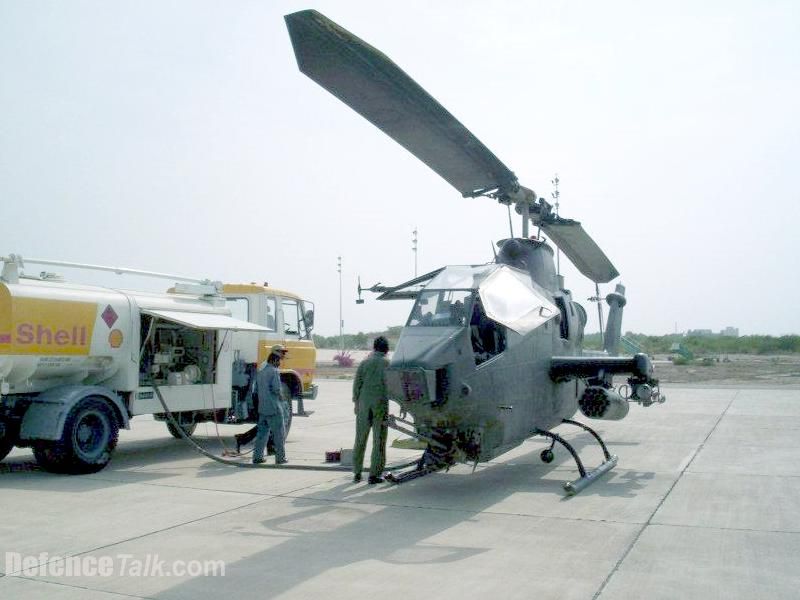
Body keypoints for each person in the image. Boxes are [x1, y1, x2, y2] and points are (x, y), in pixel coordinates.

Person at [352, 336, 390, 484]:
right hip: (380, 404)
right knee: (379, 439)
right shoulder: (388, 364)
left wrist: (356, 402)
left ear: (374, 348)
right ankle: (374, 474)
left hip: (363, 404)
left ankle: (357, 472)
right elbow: (392, 387)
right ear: (386, 349)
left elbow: (357, 385)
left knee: (360, 438)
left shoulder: (364, 363)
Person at [235, 345, 288, 453]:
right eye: (282, 352)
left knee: (264, 425)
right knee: (272, 424)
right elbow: (271, 388)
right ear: (276, 353)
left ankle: (246, 441)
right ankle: (270, 448)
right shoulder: (269, 367)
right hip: (262, 398)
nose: (284, 355)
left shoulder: (269, 365)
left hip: (261, 397)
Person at [251, 349, 288, 464]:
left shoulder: (261, 372)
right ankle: (280, 458)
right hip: (274, 408)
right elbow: (277, 389)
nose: (280, 363)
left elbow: (255, 390)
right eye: (279, 360)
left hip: (263, 408)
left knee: (262, 434)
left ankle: (257, 457)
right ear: (275, 360)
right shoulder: (274, 371)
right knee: (279, 433)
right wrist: (283, 398)